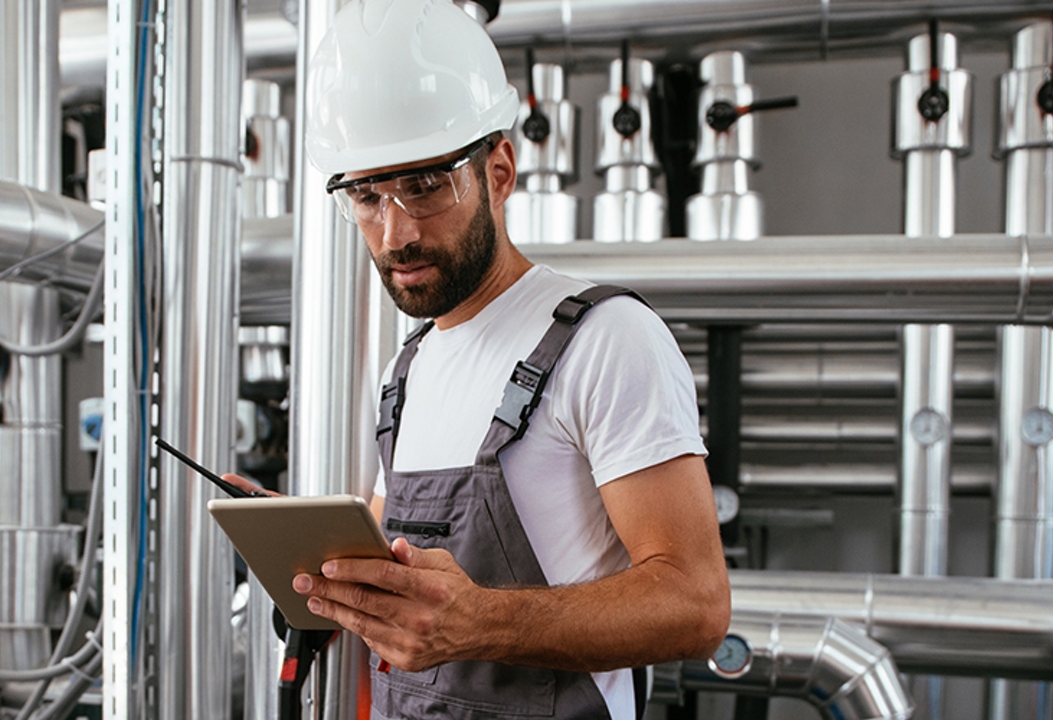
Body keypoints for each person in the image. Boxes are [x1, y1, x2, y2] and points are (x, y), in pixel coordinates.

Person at [233, 1, 731, 717]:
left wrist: (479, 622)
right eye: (366, 196)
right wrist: (318, 563)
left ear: (499, 172)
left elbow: (696, 603)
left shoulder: (607, 339)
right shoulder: (408, 369)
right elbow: (394, 574)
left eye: (425, 187)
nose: (395, 233)